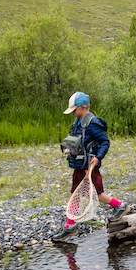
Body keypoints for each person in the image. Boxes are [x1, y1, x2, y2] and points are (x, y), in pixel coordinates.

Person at [51, 91, 130, 242]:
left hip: (89, 166)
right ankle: (70, 227)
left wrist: (97, 157)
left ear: (82, 107)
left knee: (96, 194)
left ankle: (120, 206)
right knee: (75, 193)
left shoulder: (93, 123)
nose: (72, 113)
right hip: (78, 165)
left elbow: (105, 142)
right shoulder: (76, 122)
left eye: (74, 110)